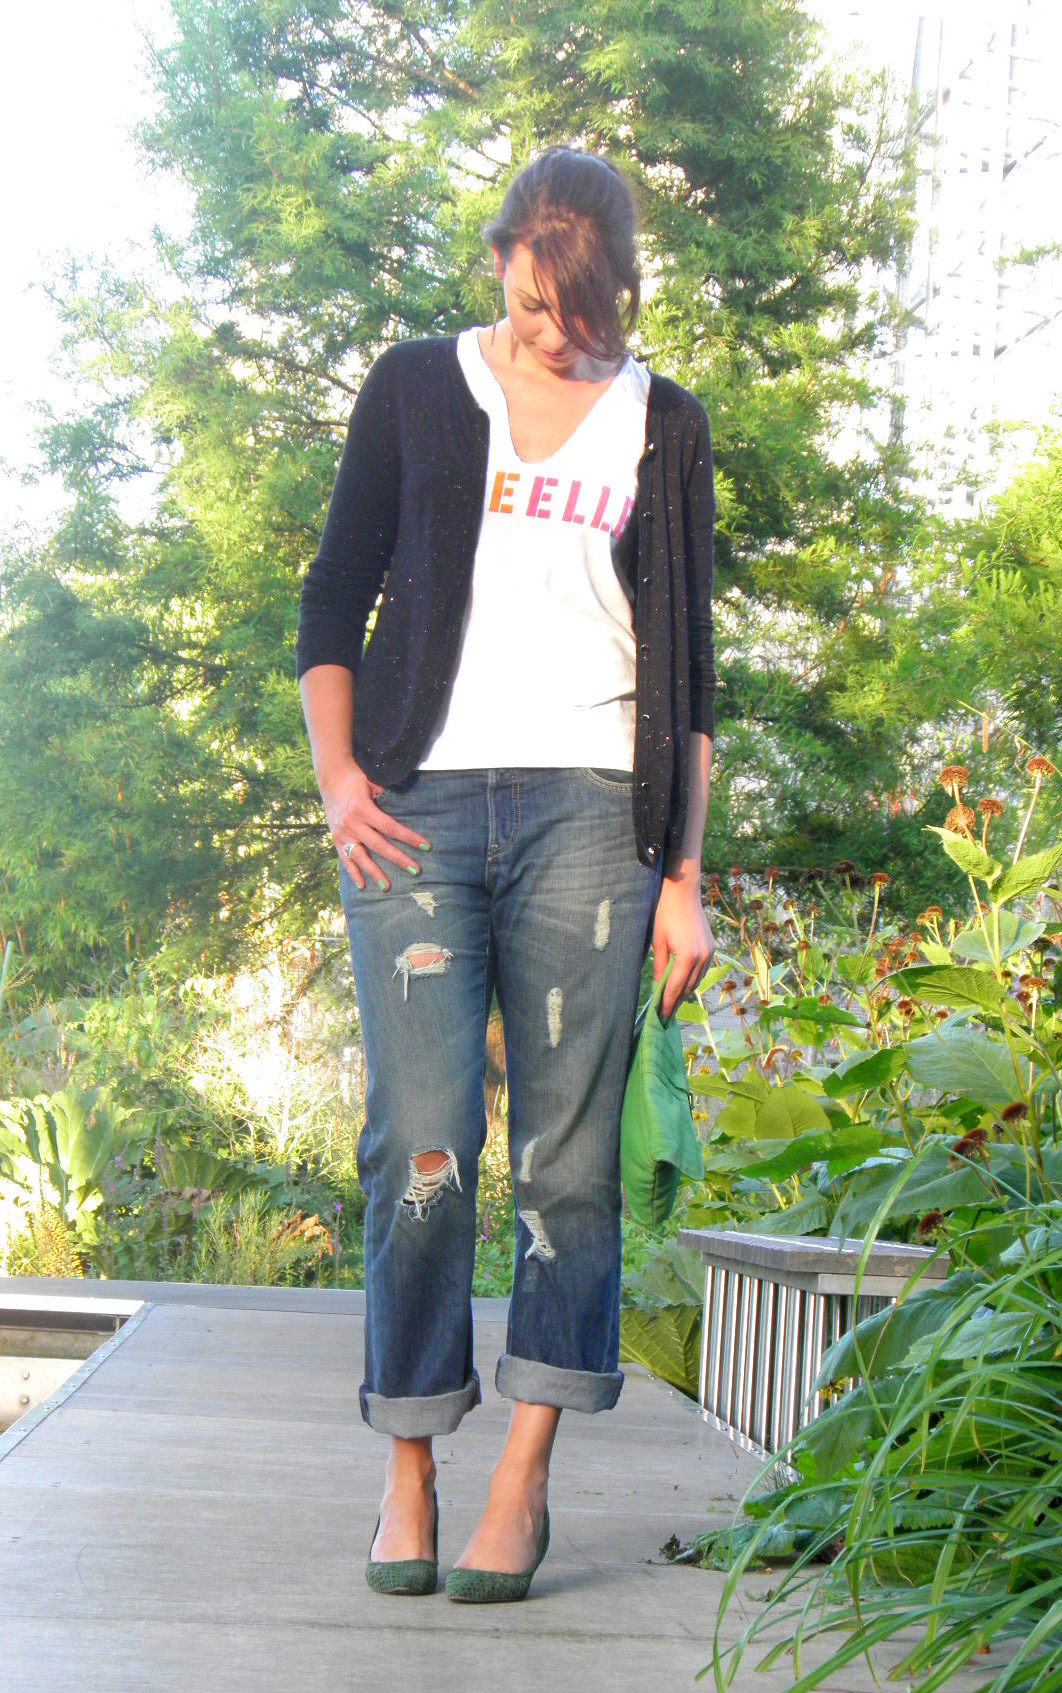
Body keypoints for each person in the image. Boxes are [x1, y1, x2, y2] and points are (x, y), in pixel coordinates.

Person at [296, 145, 717, 1603]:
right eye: (536, 305)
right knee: (418, 1142)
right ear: (498, 265)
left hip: (594, 816)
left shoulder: (663, 422)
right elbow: (331, 598)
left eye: (583, 314)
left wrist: (685, 876)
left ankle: (524, 1472)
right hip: (415, 810)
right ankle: (409, 1458)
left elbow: (688, 671)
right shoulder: (416, 387)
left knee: (568, 1160)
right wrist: (339, 779)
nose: (556, 336)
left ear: (622, 291)